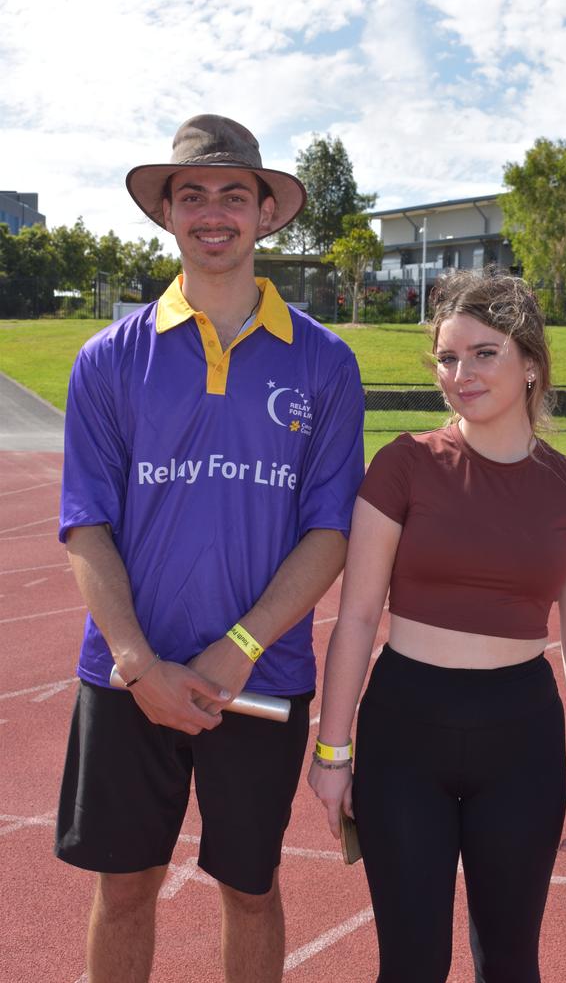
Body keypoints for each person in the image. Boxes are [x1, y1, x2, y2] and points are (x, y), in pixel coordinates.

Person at [55, 114, 365, 983]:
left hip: (259, 681)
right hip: (127, 677)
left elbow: (330, 530)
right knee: (123, 891)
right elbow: (86, 523)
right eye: (192, 195)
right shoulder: (109, 359)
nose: (214, 212)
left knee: (252, 889)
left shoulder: (325, 362)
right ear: (167, 215)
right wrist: (137, 662)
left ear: (268, 213)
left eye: (236, 194)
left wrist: (236, 650)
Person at [308, 267, 566, 983]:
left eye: (484, 353)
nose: (461, 372)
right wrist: (332, 754)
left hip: (521, 738)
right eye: (448, 356)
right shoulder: (403, 466)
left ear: (530, 363)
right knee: (412, 965)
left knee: (510, 965)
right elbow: (355, 619)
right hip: (404, 731)